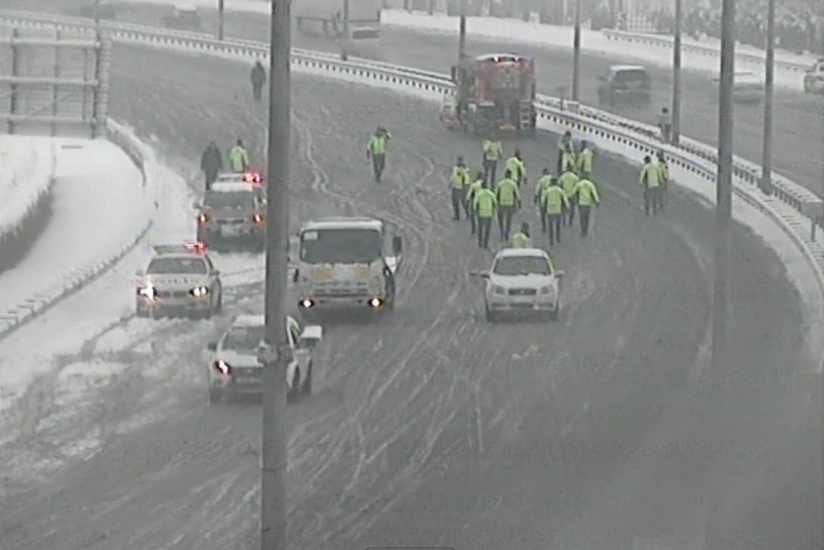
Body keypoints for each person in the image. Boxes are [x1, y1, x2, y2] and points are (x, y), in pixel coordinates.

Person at [540, 177, 569, 247]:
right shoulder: (560, 190)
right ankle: (558, 238)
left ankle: (551, 240)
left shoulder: (547, 191)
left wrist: (543, 207)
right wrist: (567, 207)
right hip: (558, 209)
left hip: (550, 210)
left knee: (550, 226)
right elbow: (565, 199)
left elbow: (543, 201)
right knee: (558, 225)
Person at [495, 170, 520, 242]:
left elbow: (497, 193)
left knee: (500, 218)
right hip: (510, 203)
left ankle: (502, 231)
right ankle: (507, 233)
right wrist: (518, 203)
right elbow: (517, 194)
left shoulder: (500, 183)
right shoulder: (513, 184)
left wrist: (496, 203)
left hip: (502, 203)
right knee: (509, 220)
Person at [473, 181, 497, 249]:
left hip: (481, 213)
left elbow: (475, 203)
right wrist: (493, 210)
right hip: (489, 213)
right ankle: (486, 243)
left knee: (480, 228)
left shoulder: (479, 194)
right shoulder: (490, 193)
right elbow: (495, 202)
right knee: (487, 229)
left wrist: (475, 211)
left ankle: (480, 243)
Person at [558, 162, 580, 227]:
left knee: (563, 208)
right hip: (572, 194)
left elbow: (559, 184)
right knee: (572, 209)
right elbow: (578, 185)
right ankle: (570, 220)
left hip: (564, 194)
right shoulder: (575, 177)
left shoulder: (563, 176)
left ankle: (564, 220)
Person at [449, 156, 471, 221]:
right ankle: (467, 215)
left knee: (456, 202)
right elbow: (468, 178)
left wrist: (450, 183)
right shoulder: (466, 169)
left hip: (457, 187)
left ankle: (457, 216)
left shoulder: (455, 168)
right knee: (463, 202)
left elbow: (453, 176)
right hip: (463, 187)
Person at [533, 168, 554, 233]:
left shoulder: (541, 180)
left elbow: (537, 190)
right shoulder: (552, 178)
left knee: (543, 214)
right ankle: (551, 226)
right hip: (552, 197)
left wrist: (535, 199)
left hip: (543, 198)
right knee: (551, 213)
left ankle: (544, 226)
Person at [466, 170, 485, 236]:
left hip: (474, 202)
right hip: (483, 202)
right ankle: (480, 229)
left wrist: (468, 200)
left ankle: (473, 229)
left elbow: (469, 193)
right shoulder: (484, 184)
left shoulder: (474, 184)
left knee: (473, 216)